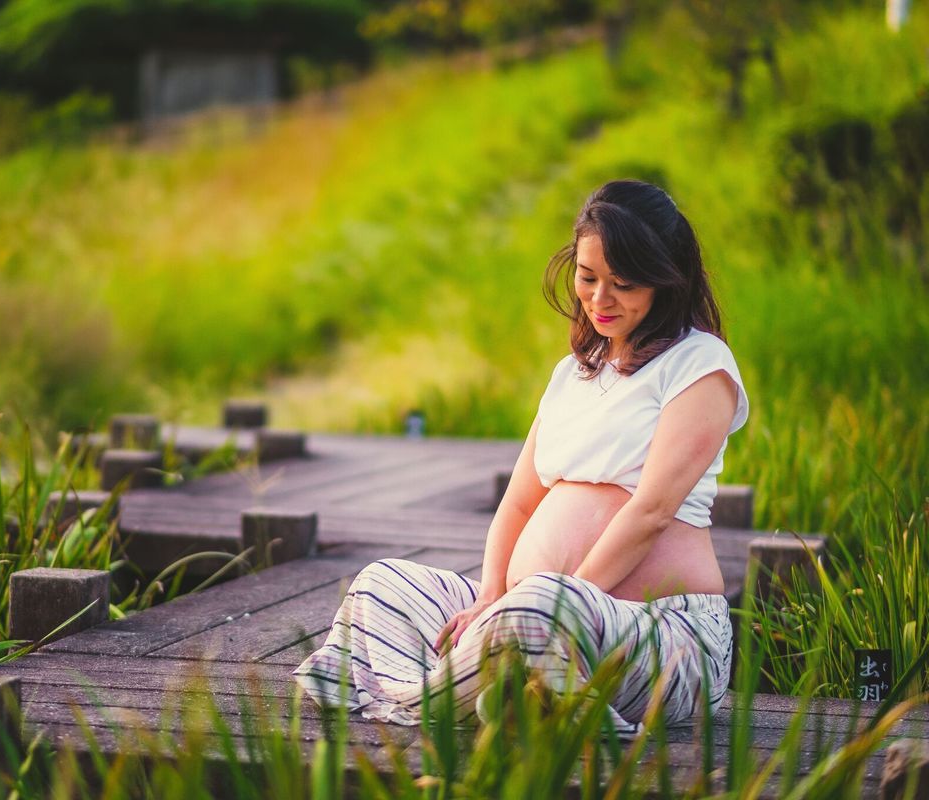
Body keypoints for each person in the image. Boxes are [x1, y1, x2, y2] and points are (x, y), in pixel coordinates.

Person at [291, 179, 749, 735]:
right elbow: (517, 505)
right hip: (530, 613)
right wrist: (490, 597)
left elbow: (650, 511)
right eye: (587, 277)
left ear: (664, 281)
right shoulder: (573, 373)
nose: (600, 299)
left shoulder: (699, 365)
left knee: (537, 617)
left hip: (661, 638)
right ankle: (504, 682)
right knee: (383, 584)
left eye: (623, 284)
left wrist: (557, 600)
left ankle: (479, 683)